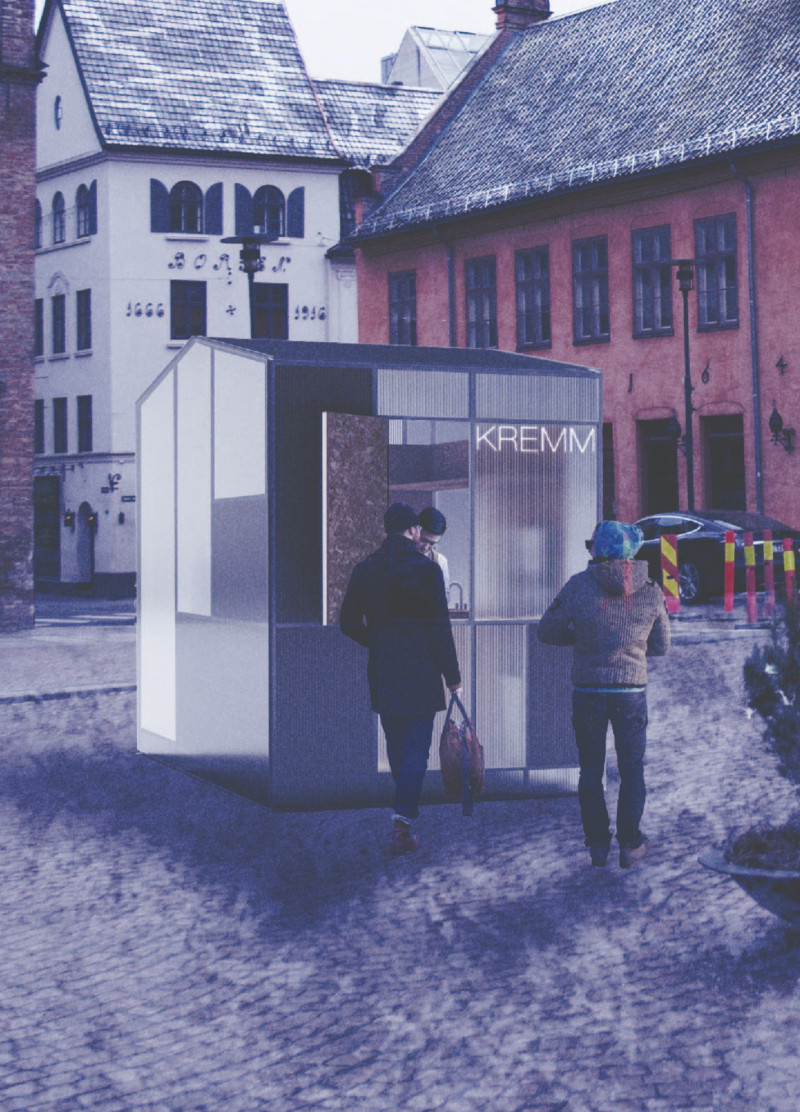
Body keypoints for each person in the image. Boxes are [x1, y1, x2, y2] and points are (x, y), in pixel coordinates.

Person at [537, 520, 670, 869]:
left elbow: (546, 630)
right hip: (631, 693)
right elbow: (662, 645)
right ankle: (630, 844)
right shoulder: (652, 590)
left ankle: (598, 845)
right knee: (631, 770)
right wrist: (633, 649)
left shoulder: (579, 586)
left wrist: (582, 640)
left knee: (590, 770)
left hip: (588, 692)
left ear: (598, 550)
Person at [340, 502, 462, 855]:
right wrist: (453, 677)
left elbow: (348, 622)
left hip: (384, 670)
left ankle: (403, 814)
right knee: (416, 752)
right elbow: (441, 629)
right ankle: (402, 821)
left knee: (396, 746)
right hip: (422, 672)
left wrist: (376, 641)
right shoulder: (428, 571)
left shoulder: (365, 570)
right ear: (412, 530)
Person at [417, 507, 450, 601]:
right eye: (423, 540)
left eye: (432, 543)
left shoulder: (440, 561)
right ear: (416, 530)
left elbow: (445, 598)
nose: (425, 546)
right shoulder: (399, 556)